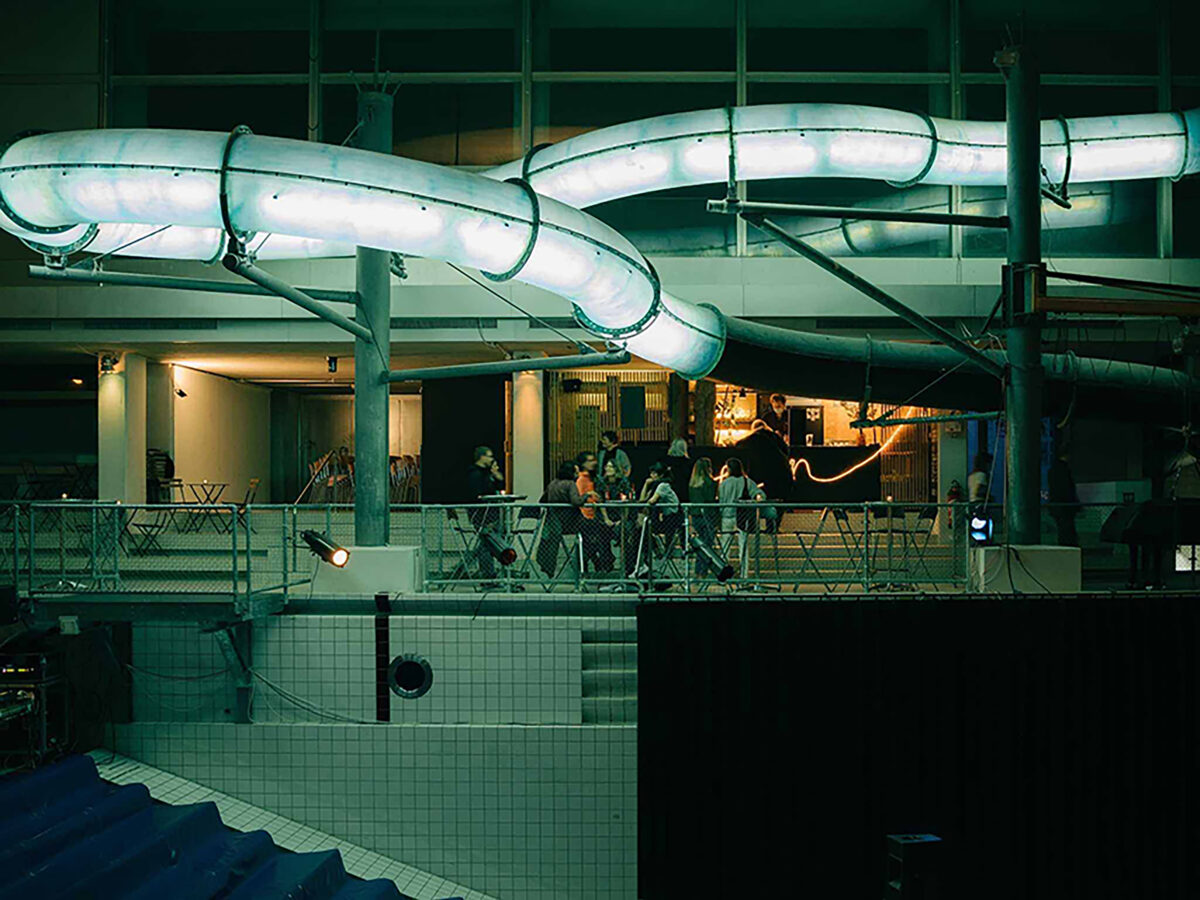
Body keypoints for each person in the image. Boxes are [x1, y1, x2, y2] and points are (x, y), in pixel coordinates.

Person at [537, 461, 585, 578]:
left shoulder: (553, 483)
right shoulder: (570, 484)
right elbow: (576, 501)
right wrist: (586, 496)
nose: (579, 474)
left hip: (553, 522)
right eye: (576, 471)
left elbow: (542, 500)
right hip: (569, 522)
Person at [635, 461, 682, 579]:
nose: (652, 476)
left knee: (645, 528)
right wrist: (646, 485)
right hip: (666, 518)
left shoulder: (663, 486)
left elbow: (651, 501)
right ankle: (651, 552)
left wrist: (643, 503)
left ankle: (656, 551)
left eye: (654, 474)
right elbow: (643, 499)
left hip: (673, 519)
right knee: (642, 530)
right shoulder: (656, 486)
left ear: (660, 475)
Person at [465, 446, 504, 580]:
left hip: (489, 514)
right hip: (482, 515)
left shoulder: (486, 474)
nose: (492, 459)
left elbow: (499, 486)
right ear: (482, 457)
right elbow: (477, 495)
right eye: (490, 456)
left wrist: (496, 475)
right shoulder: (475, 474)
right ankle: (488, 575)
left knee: (487, 543)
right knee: (486, 544)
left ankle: (489, 573)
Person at [576, 450, 613, 573]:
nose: (594, 463)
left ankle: (601, 562)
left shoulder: (594, 479)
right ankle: (596, 563)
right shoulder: (582, 479)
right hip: (586, 517)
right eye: (590, 461)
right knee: (592, 542)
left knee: (599, 539)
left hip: (594, 515)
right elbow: (580, 498)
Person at [688, 457, 720, 577]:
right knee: (708, 545)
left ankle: (698, 571)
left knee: (700, 545)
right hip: (707, 516)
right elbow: (711, 499)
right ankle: (703, 571)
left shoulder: (692, 484)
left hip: (696, 515)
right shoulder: (710, 483)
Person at [1047, 447, 1079, 546]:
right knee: (1068, 530)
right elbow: (1067, 489)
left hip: (1057, 505)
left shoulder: (1053, 469)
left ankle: (1065, 546)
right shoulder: (1065, 470)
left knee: (1062, 530)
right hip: (1065, 506)